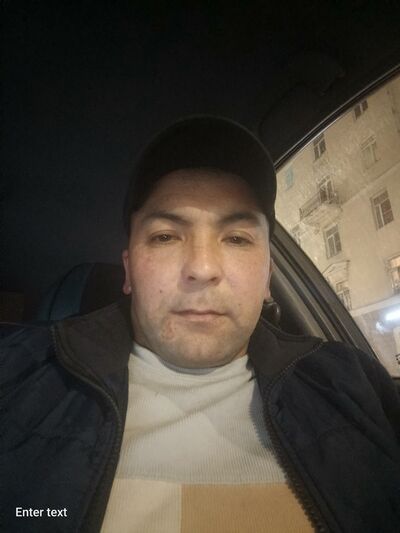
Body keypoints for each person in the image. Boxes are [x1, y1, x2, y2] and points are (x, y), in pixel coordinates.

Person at [1, 116, 400, 533]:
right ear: (129, 271)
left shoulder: (352, 383)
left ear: (267, 276)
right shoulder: (17, 373)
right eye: (165, 236)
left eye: (237, 238)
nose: (203, 268)